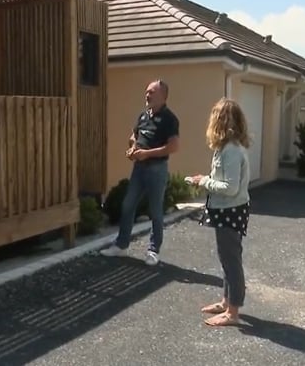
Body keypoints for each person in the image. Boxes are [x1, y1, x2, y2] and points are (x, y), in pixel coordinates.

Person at [100, 79, 179, 266]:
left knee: (155, 211)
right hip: (139, 169)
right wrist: (133, 148)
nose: (147, 95)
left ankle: (153, 250)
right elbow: (134, 135)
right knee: (127, 205)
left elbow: (173, 146)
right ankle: (121, 245)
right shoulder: (143, 116)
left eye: (152, 92)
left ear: (163, 96)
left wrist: (147, 154)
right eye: (147, 91)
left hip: (157, 170)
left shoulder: (170, 119)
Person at [188, 97, 251, 327]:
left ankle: (232, 312)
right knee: (227, 258)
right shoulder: (226, 148)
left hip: (231, 210)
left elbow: (230, 188)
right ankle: (227, 302)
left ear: (221, 120)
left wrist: (204, 181)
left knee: (231, 260)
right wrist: (205, 181)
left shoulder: (231, 150)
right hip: (228, 209)